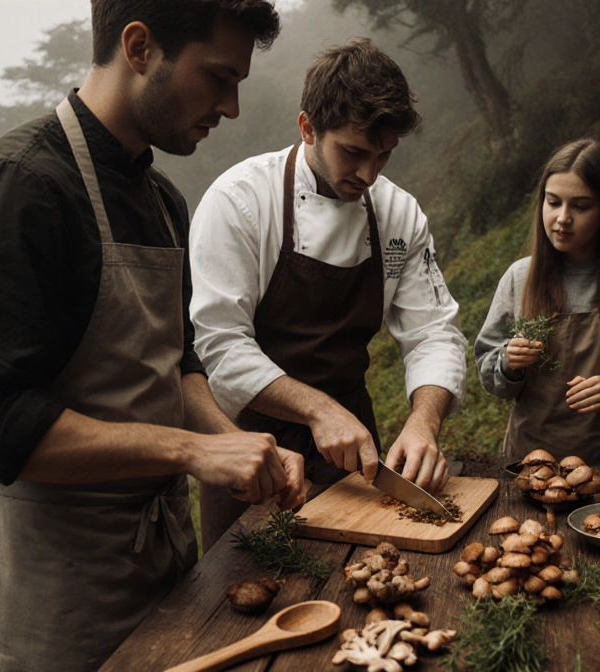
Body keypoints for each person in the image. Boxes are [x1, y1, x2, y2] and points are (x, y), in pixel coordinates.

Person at [0, 2, 303, 670]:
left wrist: (233, 442)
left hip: (162, 554)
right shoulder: (19, 188)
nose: (233, 106)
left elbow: (176, 361)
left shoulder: (163, 201)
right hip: (60, 584)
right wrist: (191, 452)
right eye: (219, 77)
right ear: (139, 47)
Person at [189, 38, 468, 544]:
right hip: (251, 447)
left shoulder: (399, 215)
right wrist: (318, 410)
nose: (368, 174)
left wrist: (424, 421)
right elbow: (221, 350)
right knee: (241, 590)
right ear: (307, 127)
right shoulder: (240, 202)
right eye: (354, 152)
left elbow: (433, 333)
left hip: (353, 450)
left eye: (383, 156)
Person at [474, 138, 600, 468]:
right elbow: (487, 367)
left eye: (581, 206)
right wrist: (508, 361)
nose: (562, 218)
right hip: (530, 466)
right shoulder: (520, 277)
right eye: (553, 202)